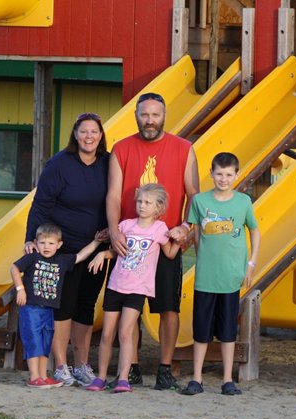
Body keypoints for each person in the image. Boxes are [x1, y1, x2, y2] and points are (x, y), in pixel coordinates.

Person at [106, 92, 199, 390]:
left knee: (168, 308)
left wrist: (186, 227)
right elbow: (113, 195)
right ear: (136, 115)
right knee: (128, 309)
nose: (150, 120)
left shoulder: (184, 148)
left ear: (164, 116)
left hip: (164, 242)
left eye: (155, 115)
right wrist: (114, 231)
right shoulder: (121, 149)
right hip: (130, 242)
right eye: (144, 115)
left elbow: (194, 194)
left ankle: (164, 368)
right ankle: (131, 367)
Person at [24, 112, 109, 387]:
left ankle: (81, 364)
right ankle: (61, 365)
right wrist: (30, 238)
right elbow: (40, 205)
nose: (88, 136)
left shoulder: (108, 164)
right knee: (63, 306)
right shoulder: (59, 165)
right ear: (75, 134)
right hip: (64, 250)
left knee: (86, 306)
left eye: (94, 132)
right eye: (83, 131)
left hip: (96, 248)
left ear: (101, 135)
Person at [85, 184, 181, 393]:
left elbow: (170, 253)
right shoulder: (125, 225)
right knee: (107, 334)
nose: (142, 206)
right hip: (116, 285)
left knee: (125, 332)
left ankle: (123, 379)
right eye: (139, 201)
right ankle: (101, 377)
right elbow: (116, 251)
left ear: (158, 207)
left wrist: (182, 237)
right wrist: (102, 254)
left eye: (147, 202)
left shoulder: (160, 229)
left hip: (137, 289)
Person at [180, 152, 260, 396]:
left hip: (231, 277)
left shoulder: (243, 202)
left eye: (228, 174)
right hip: (206, 277)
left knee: (227, 332)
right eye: (219, 174)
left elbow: (255, 231)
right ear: (211, 174)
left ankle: (227, 379)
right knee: (201, 330)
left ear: (237, 175)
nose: (223, 179)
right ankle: (197, 378)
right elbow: (195, 233)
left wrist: (251, 264)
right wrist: (202, 258)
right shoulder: (200, 201)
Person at [11, 223, 101, 388]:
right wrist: (20, 289)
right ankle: (34, 376)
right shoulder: (32, 258)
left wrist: (96, 242)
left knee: (45, 342)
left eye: (51, 243)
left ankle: (43, 376)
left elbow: (81, 256)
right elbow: (14, 268)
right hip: (31, 308)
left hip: (48, 310)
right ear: (36, 243)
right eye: (42, 243)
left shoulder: (61, 260)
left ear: (59, 245)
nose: (46, 247)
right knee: (33, 340)